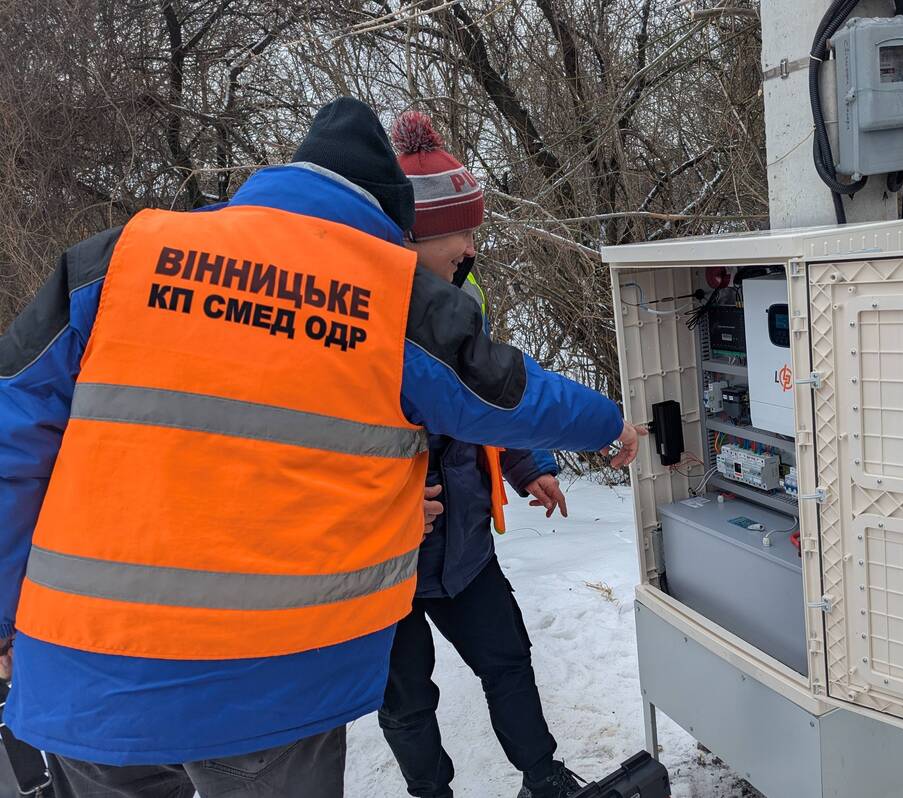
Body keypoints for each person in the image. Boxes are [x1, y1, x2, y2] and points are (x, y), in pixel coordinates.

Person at [0, 97, 643, 798]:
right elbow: (509, 394)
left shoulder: (119, 259)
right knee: (409, 695)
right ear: (390, 217)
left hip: (85, 678)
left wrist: (4, 622)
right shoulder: (381, 293)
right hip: (265, 687)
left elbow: (12, 442)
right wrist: (609, 423)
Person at [375, 111, 583, 798]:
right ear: (408, 238)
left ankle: (543, 776)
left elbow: (486, 395)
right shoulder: (355, 311)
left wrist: (530, 464)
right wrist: (387, 494)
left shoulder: (470, 294)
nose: (471, 248)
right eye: (460, 233)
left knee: (508, 659)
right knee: (407, 702)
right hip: (387, 562)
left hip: (462, 542)